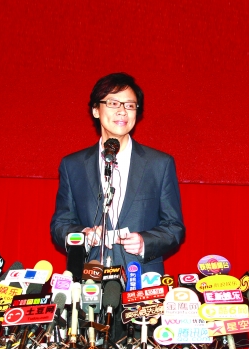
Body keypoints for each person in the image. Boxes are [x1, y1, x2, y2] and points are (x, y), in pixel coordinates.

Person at [50, 72, 185, 276]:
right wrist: (83, 235)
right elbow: (60, 226)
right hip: (89, 276)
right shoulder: (73, 165)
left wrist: (145, 242)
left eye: (130, 105)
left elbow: (174, 227)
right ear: (96, 110)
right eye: (113, 103)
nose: (122, 111)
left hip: (141, 277)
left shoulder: (159, 164)